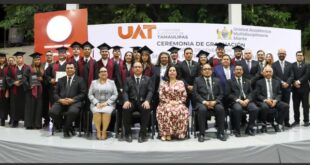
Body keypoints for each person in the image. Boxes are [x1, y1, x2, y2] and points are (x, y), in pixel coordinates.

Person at [49, 63, 86, 137]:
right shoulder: (60, 80)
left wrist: (73, 100)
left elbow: (83, 93)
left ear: (74, 69)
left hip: (74, 102)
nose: (69, 69)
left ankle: (66, 129)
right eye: (68, 68)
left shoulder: (80, 80)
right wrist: (60, 100)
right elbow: (55, 93)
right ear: (65, 70)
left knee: (72, 112)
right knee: (52, 112)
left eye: (71, 68)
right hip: (61, 101)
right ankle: (68, 126)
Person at [193, 63, 227, 142]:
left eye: (209, 69)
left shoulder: (217, 80)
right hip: (202, 102)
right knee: (202, 110)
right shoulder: (197, 80)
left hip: (215, 102)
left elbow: (221, 93)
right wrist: (204, 102)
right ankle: (201, 134)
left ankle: (221, 133)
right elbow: (195, 93)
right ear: (202, 71)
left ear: (212, 71)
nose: (207, 71)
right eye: (205, 69)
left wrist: (215, 101)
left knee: (220, 109)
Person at [122, 62, 153, 143]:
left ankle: (142, 134)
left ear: (142, 69)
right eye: (135, 67)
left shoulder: (147, 79)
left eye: (139, 67)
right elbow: (125, 91)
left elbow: (150, 91)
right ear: (132, 69)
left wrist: (147, 101)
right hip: (131, 101)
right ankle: (128, 134)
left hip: (143, 101)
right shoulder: (128, 79)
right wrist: (126, 101)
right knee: (126, 109)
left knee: (146, 109)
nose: (137, 68)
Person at [156, 65, 189, 141]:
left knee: (181, 110)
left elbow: (184, 95)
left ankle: (178, 133)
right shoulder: (163, 83)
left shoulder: (181, 83)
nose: (172, 72)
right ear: (167, 73)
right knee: (166, 110)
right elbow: (161, 95)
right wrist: (169, 102)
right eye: (170, 71)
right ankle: (166, 133)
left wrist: (178, 102)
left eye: (174, 70)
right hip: (165, 103)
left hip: (178, 103)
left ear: (176, 73)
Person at [226, 64, 259, 137]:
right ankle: (237, 130)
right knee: (238, 109)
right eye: (237, 69)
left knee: (255, 109)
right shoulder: (229, 81)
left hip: (247, 100)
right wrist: (238, 100)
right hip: (235, 101)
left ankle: (249, 128)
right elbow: (228, 94)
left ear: (243, 71)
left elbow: (251, 93)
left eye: (240, 70)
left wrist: (248, 100)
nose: (238, 71)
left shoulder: (247, 81)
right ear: (233, 71)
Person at [255, 65, 289, 132]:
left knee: (285, 106)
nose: (268, 73)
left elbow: (279, 93)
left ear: (272, 73)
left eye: (270, 72)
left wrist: (275, 101)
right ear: (263, 73)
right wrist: (266, 100)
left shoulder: (276, 82)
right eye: (266, 72)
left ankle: (276, 123)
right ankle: (263, 124)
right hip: (263, 101)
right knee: (264, 107)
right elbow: (258, 95)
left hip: (274, 101)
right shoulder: (259, 82)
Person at [88, 67, 118, 140]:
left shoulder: (112, 82)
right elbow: (90, 94)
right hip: (96, 104)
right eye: (101, 71)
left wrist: (106, 103)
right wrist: (96, 103)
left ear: (107, 73)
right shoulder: (93, 82)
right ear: (99, 74)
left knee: (106, 112)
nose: (103, 73)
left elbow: (115, 94)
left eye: (105, 71)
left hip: (108, 104)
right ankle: (98, 131)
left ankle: (104, 131)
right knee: (97, 112)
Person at [271, 48, 294, 127]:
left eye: (283, 53)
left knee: (287, 105)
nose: (281, 55)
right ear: (278, 54)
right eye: (280, 53)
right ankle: (278, 121)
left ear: (285, 54)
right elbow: (274, 76)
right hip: (278, 89)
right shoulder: (274, 64)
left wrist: (287, 83)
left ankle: (286, 121)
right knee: (278, 105)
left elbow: (292, 75)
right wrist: (282, 82)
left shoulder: (290, 64)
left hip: (287, 88)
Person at [6, 51, 29, 127]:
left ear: (23, 58)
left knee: (25, 105)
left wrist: (23, 82)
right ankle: (15, 121)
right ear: (16, 59)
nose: (19, 59)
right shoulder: (12, 68)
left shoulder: (27, 67)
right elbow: (8, 77)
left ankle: (26, 120)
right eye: (17, 58)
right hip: (15, 90)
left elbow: (30, 78)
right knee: (14, 106)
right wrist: (13, 82)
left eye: (20, 58)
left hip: (24, 90)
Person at [24, 52, 44, 129]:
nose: (37, 61)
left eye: (39, 59)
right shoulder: (28, 68)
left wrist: (42, 79)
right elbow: (24, 78)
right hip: (30, 91)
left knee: (38, 107)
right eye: (36, 59)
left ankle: (37, 124)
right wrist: (29, 86)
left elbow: (43, 79)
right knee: (30, 107)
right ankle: (29, 124)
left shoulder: (41, 69)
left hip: (39, 90)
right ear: (33, 60)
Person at [291, 51, 310, 127]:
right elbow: (291, 75)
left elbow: (307, 75)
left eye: (301, 55)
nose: (299, 56)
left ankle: (306, 121)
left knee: (305, 106)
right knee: (295, 106)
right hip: (295, 89)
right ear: (296, 56)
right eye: (298, 55)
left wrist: (298, 82)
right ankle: (296, 121)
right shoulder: (292, 65)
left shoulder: (307, 64)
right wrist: (294, 82)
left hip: (304, 89)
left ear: (303, 56)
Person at [42, 50, 54, 127]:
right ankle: (46, 120)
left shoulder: (55, 64)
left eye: (50, 55)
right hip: (43, 88)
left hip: (52, 88)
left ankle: (54, 120)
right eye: (47, 55)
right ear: (45, 56)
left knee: (53, 104)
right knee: (44, 104)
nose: (49, 56)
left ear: (52, 56)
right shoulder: (42, 65)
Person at [0, 52, 9, 126]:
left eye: (3, 58)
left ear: (5, 59)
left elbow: (9, 79)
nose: (1, 59)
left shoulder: (8, 67)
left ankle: (3, 119)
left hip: (5, 89)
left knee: (3, 105)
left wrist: (7, 91)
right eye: (0, 58)